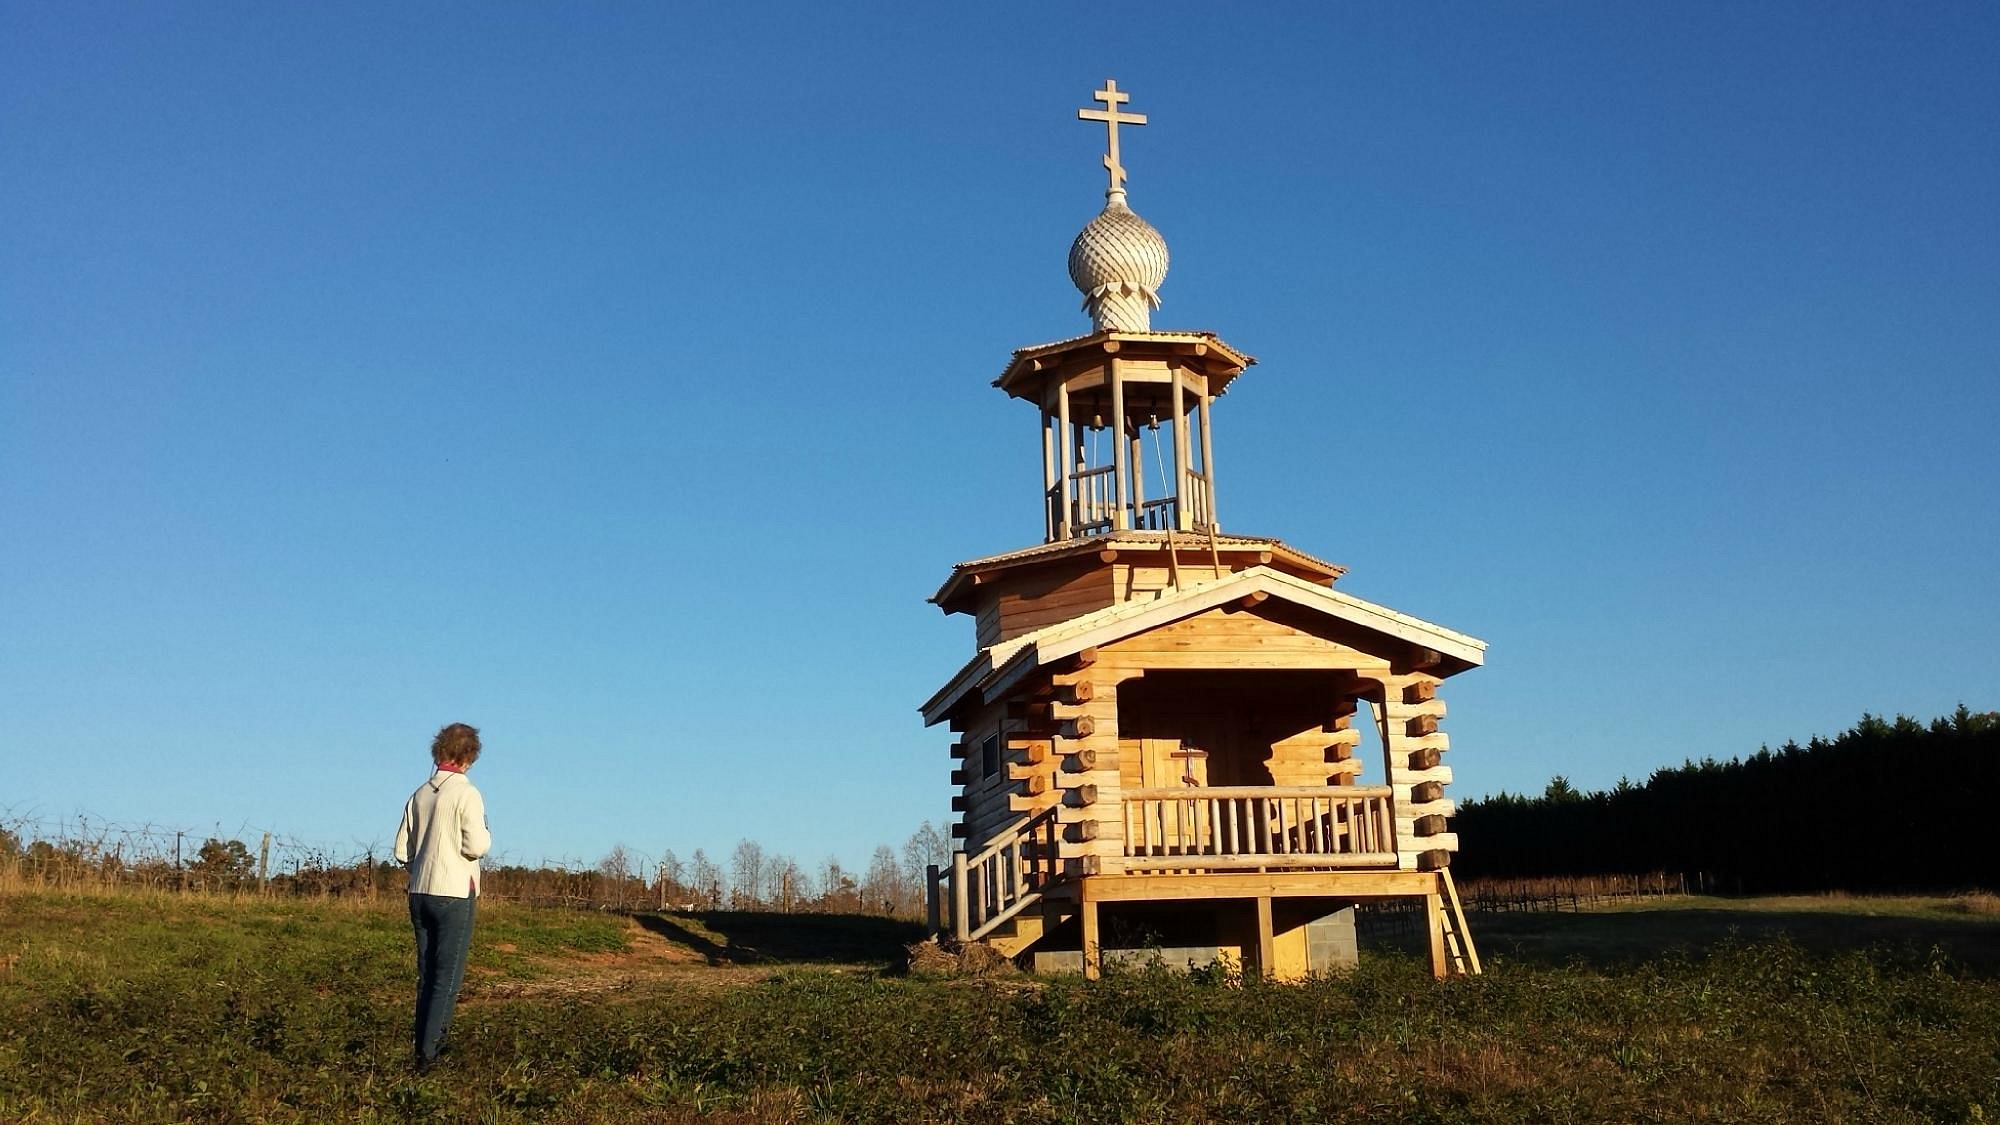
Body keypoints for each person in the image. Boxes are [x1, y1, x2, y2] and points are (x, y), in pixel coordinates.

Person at [394, 721, 491, 1072]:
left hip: (419, 891)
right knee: (447, 979)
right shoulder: (467, 793)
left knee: (427, 975)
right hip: (453, 892)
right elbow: (477, 845)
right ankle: (430, 1059)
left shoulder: (419, 793)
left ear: (438, 750)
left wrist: (421, 864)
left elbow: (401, 850)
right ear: (469, 755)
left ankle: (420, 1049)